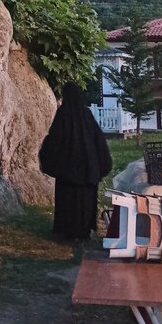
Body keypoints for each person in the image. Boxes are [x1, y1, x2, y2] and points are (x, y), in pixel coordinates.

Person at [39, 82, 112, 241]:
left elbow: (55, 140)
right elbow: (98, 140)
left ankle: (67, 231)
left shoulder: (63, 114)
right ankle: (85, 231)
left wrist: (50, 158)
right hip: (88, 169)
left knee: (68, 201)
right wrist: (100, 164)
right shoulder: (87, 115)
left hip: (68, 172)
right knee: (85, 202)